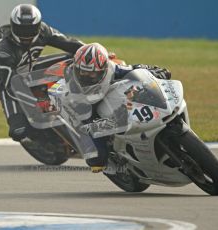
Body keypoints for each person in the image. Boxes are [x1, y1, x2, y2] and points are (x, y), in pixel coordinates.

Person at [62, 43, 171, 172]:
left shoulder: (111, 68)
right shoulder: (71, 82)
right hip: (86, 109)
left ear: (104, 68)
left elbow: (134, 69)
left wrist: (155, 71)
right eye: (83, 72)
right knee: (97, 160)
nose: (87, 76)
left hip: (109, 96)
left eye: (92, 74)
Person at [0, 4, 84, 143]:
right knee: (18, 131)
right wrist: (36, 104)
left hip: (32, 67)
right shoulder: (4, 51)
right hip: (11, 82)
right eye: (21, 29)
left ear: (38, 25)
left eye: (30, 29)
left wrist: (93, 51)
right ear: (13, 27)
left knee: (76, 58)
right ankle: (42, 139)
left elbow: (69, 43)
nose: (26, 35)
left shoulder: (43, 30)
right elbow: (7, 88)